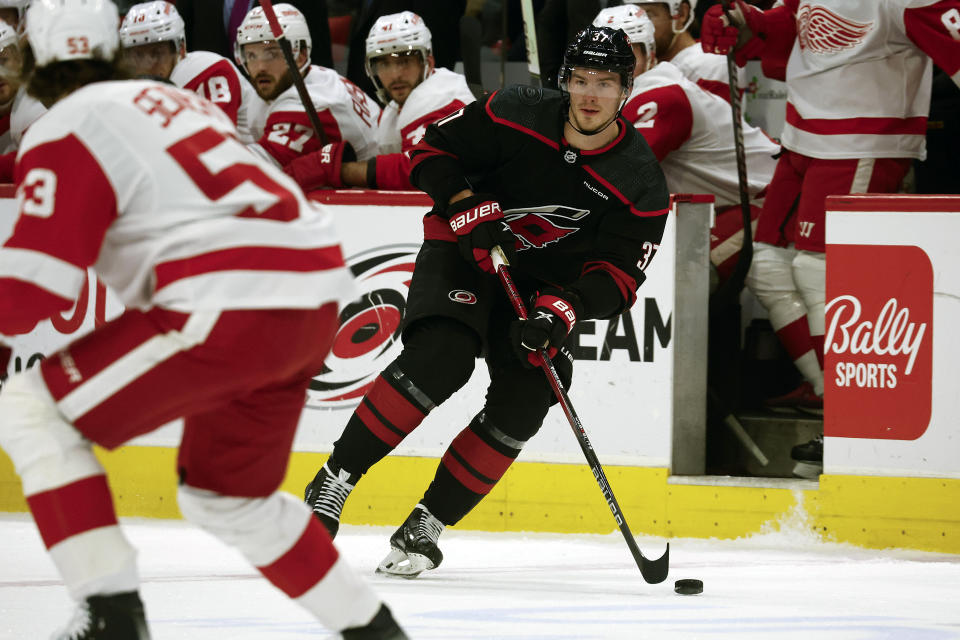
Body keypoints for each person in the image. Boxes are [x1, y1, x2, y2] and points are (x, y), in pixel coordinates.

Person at [0, 1, 406, 638]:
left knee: (31, 408)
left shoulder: (62, 125)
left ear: (31, 58)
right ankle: (375, 631)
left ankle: (111, 617)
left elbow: (32, 291)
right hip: (314, 290)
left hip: (228, 296)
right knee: (229, 497)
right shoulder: (174, 104)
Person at [303, 25, 669, 578]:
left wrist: (563, 308)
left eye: (607, 83)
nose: (591, 94)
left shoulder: (640, 181)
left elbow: (618, 275)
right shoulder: (514, 109)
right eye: (581, 79)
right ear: (563, 81)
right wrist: (463, 200)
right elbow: (431, 150)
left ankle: (427, 523)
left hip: (539, 290)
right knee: (442, 356)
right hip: (466, 254)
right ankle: (334, 481)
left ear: (627, 90)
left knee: (533, 390)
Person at [701, 0, 960, 477]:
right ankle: (836, 405)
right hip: (801, 136)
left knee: (819, 272)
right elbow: (789, 26)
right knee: (766, 263)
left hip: (864, 140)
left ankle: (849, 421)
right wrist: (745, 21)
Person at [595, 5, 777, 286]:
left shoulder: (660, 96)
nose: (611, 70)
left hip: (765, 199)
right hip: (724, 204)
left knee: (687, 276)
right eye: (599, 60)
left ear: (650, 55)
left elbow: (615, 179)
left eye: (625, 58)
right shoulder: (620, 98)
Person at [284, 10, 475, 191]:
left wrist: (337, 170)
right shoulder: (395, 109)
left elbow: (422, 168)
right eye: (384, 64)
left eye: (404, 61)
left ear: (428, 61)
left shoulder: (444, 97)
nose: (395, 75)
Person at [234, 3, 381, 168]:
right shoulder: (318, 76)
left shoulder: (316, 104)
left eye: (272, 54)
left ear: (301, 55)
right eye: (251, 55)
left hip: (379, 188)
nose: (260, 67)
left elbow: (252, 169)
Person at [119, 1, 267, 144]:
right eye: (137, 55)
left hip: (250, 156)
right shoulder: (127, 87)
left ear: (181, 49)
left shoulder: (210, 70)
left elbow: (216, 141)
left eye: (157, 53)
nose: (147, 65)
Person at [625, 0, 745, 103]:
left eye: (648, 15)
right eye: (630, 17)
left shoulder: (712, 65)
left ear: (681, 13)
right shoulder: (638, 65)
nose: (637, 26)